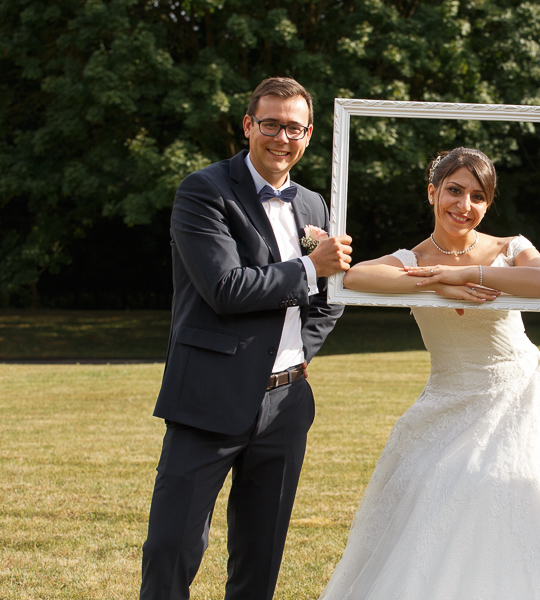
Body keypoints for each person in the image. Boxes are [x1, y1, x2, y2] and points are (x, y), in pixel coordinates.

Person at [318, 147, 540, 600]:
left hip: (520, 395)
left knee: (523, 497)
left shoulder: (508, 247)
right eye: (454, 191)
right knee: (440, 507)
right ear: (432, 193)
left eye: (477, 196)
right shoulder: (411, 257)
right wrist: (441, 281)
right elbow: (356, 277)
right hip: (448, 399)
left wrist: (476, 272)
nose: (464, 206)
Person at [140, 76, 352, 600]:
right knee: (174, 547)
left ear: (308, 135)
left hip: (285, 402)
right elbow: (224, 288)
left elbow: (330, 299)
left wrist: (298, 354)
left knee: (261, 556)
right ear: (248, 126)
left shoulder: (313, 205)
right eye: (271, 124)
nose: (282, 138)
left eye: (295, 128)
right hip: (208, 394)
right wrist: (309, 264)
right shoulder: (203, 190)